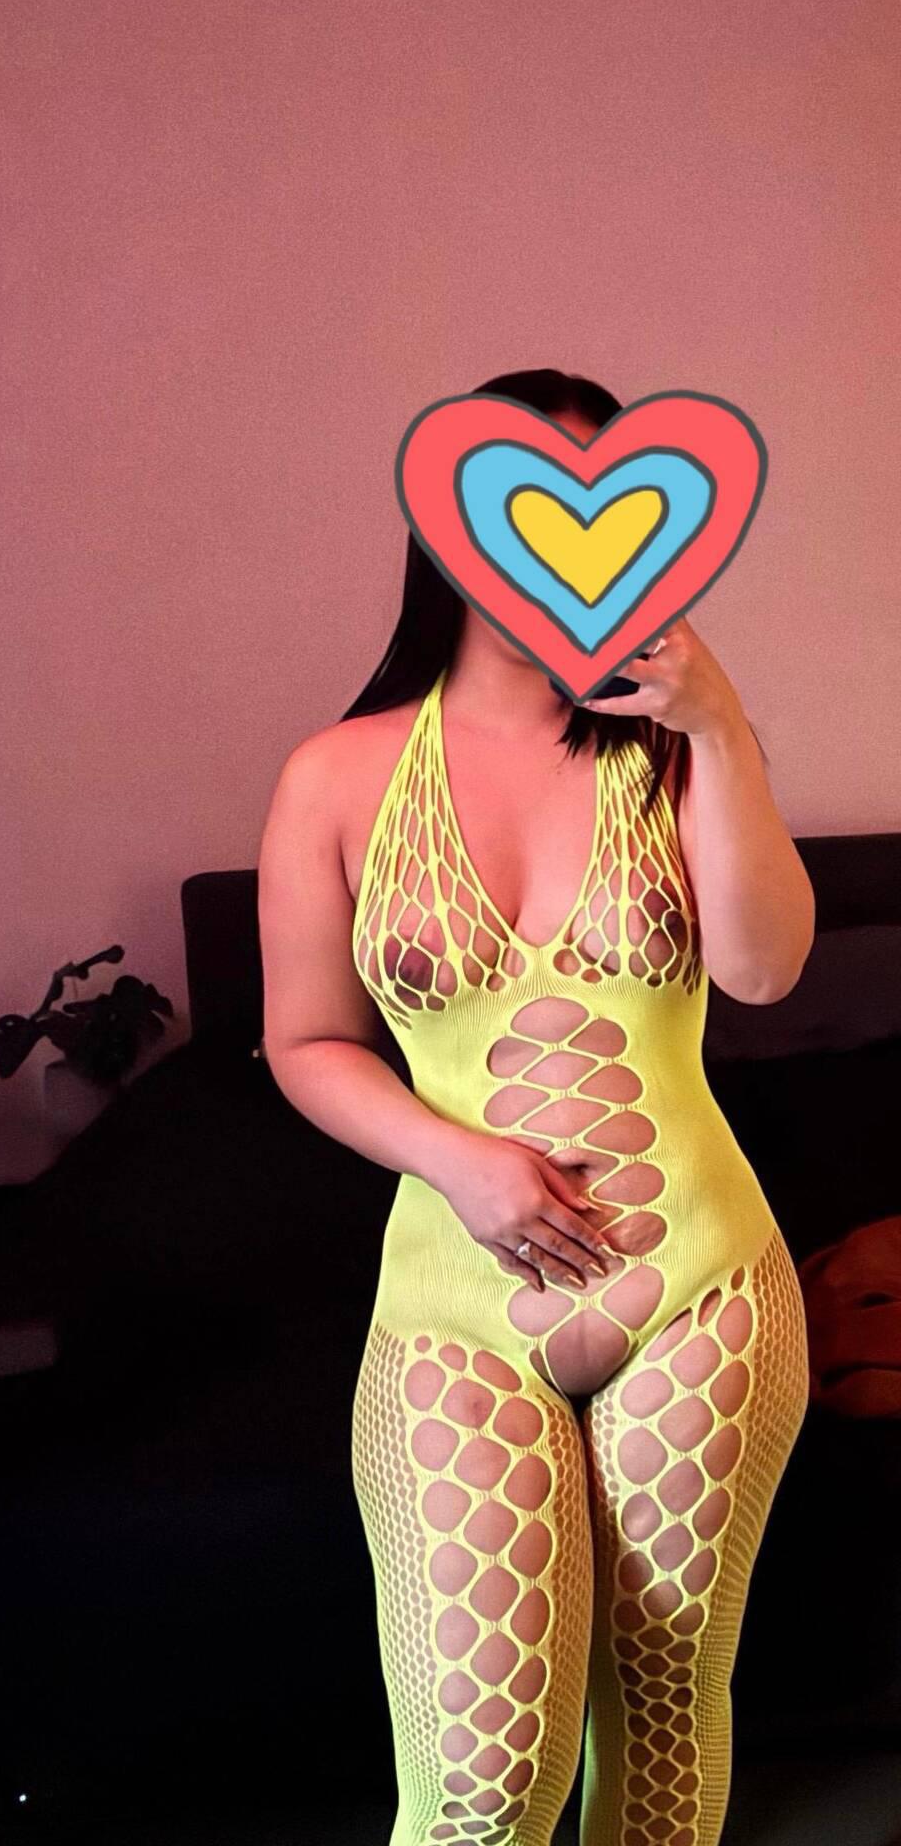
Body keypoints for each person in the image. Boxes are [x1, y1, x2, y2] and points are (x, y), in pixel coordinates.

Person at [258, 363, 816, 1846]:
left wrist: (721, 722)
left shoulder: (678, 753)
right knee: (482, 1781)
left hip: (703, 1291)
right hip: (455, 1306)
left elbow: (764, 971)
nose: (567, 552)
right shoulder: (334, 777)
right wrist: (457, 1161)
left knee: (667, 1738)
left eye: (608, 517)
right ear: (449, 532)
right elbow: (306, 1041)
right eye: (525, 511)